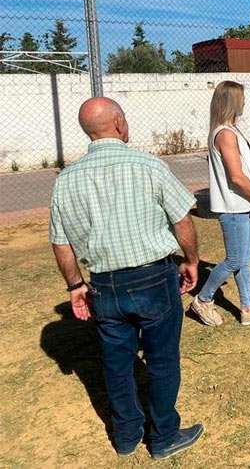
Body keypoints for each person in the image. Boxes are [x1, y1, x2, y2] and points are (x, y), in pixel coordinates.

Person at [49, 97, 203, 459]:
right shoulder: (149, 165)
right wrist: (192, 260)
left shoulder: (66, 179)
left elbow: (61, 243)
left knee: (116, 363)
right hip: (153, 277)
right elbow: (182, 219)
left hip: (104, 285)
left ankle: (125, 435)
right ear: (119, 123)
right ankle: (164, 435)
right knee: (162, 360)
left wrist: (75, 286)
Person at [190, 81, 250, 326]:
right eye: (241, 97)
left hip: (245, 206)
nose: (244, 101)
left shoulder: (232, 130)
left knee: (244, 257)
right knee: (235, 259)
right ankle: (203, 299)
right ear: (231, 101)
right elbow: (237, 177)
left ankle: (248, 308)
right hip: (234, 208)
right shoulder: (225, 134)